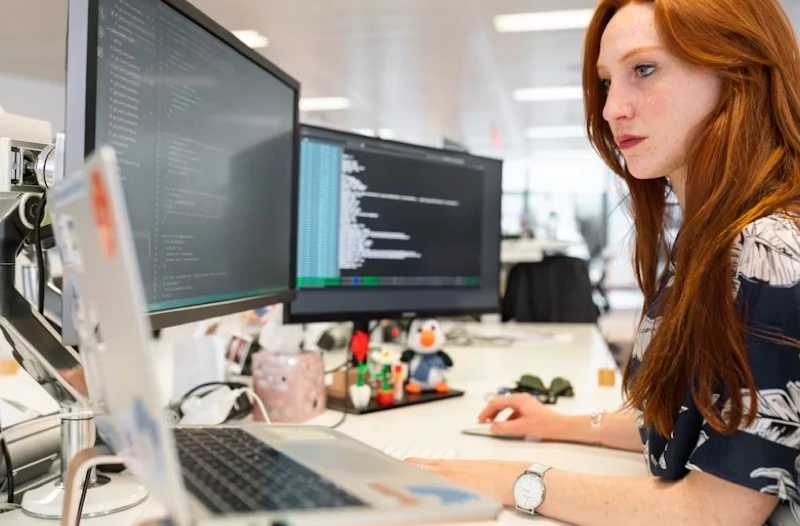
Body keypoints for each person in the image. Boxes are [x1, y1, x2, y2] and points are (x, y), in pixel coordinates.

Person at [406, 0, 800, 523]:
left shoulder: (766, 247)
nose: (612, 107)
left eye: (643, 69)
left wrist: (515, 479)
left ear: (739, 71)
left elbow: (718, 510)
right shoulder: (712, 238)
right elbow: (692, 422)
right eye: (608, 81)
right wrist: (559, 424)